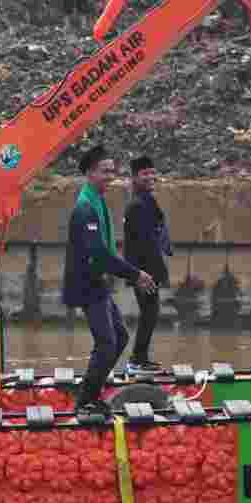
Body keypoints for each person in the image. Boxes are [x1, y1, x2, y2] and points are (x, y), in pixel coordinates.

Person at [62, 145, 155, 412]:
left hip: (96, 280)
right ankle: (86, 401)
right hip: (86, 283)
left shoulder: (97, 200)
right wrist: (135, 274)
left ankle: (93, 385)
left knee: (120, 337)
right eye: (104, 171)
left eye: (113, 170)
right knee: (106, 344)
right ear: (90, 173)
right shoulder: (85, 209)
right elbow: (100, 253)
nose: (110, 176)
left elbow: (102, 254)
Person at [123, 156, 171, 371]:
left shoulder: (145, 200)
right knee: (150, 313)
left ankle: (139, 358)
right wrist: (139, 275)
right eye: (145, 174)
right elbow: (137, 244)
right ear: (134, 177)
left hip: (147, 269)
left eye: (152, 172)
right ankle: (136, 360)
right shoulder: (137, 205)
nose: (151, 177)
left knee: (150, 313)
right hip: (143, 271)